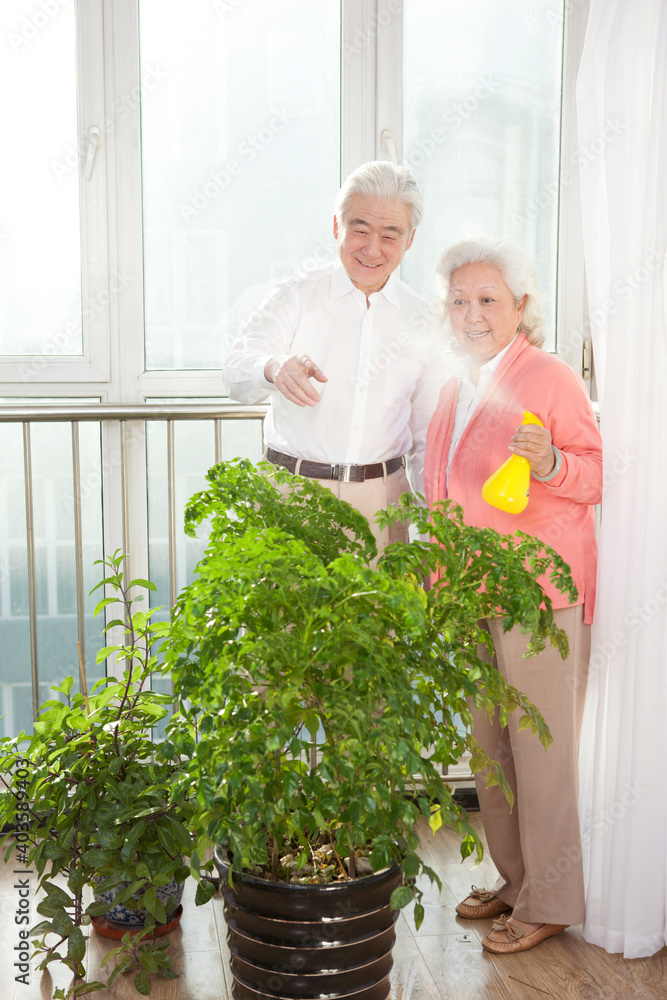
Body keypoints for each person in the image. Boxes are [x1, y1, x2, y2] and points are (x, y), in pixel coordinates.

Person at [424, 236, 602, 954]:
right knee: (489, 748)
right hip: (470, 586)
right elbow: (441, 487)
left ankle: (551, 899)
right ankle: (516, 880)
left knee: (540, 749)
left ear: (521, 306)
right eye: (460, 299)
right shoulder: (454, 381)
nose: (471, 313)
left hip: (537, 592)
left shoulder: (549, 377)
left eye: (487, 299)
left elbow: (592, 476)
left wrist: (553, 461)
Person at [222, 161, 441, 554]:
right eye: (360, 230)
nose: (372, 249)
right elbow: (235, 372)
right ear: (337, 227)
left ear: (409, 241)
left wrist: (427, 531)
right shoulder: (296, 295)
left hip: (383, 503)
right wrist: (273, 368)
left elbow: (427, 438)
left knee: (376, 616)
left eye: (390, 235)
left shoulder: (423, 318)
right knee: (286, 615)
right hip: (295, 495)